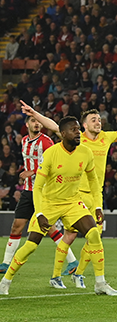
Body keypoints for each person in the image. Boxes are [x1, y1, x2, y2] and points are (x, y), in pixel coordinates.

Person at [21, 102, 117, 278]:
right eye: (94, 120)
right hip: (76, 196)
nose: (98, 122)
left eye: (99, 119)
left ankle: (78, 274)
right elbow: (53, 125)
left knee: (93, 237)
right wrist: (35, 113)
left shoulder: (106, 137)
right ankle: (56, 275)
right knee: (70, 236)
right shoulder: (77, 138)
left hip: (96, 195)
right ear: (85, 125)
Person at [0, 117, 117, 295]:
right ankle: (5, 281)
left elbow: (94, 182)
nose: (78, 133)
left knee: (94, 234)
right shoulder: (51, 154)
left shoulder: (85, 153)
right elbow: (38, 187)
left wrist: (98, 207)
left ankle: (100, 284)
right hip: (49, 204)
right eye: (73, 130)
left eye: (78, 129)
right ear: (63, 134)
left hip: (72, 202)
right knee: (31, 245)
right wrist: (40, 213)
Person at [0, 116, 77, 274]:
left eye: (39, 122)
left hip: (44, 191)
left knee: (49, 229)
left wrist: (33, 172)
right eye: (33, 121)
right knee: (16, 226)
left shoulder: (46, 141)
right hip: (28, 191)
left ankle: (72, 261)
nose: (37, 124)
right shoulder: (24, 141)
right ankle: (6, 263)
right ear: (27, 124)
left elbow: (55, 163)